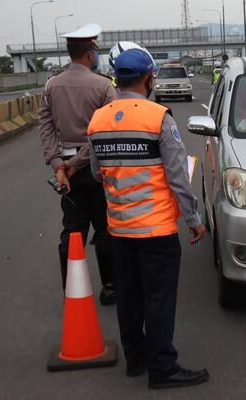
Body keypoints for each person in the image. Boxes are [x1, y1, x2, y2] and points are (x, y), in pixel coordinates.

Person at [87, 48, 209, 389]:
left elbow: (97, 173)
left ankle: (135, 360)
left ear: (116, 78)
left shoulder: (97, 120)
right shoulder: (158, 118)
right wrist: (194, 219)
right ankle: (162, 367)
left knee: (129, 297)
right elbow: (177, 178)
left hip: (119, 229)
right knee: (158, 299)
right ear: (148, 78)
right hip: (156, 230)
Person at [38, 23, 117, 305]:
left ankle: (71, 288)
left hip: (67, 174)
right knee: (106, 230)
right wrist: (80, 162)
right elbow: (106, 133)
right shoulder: (104, 86)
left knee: (72, 231)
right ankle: (110, 287)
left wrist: (60, 165)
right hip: (98, 171)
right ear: (90, 54)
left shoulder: (51, 85)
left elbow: (45, 128)